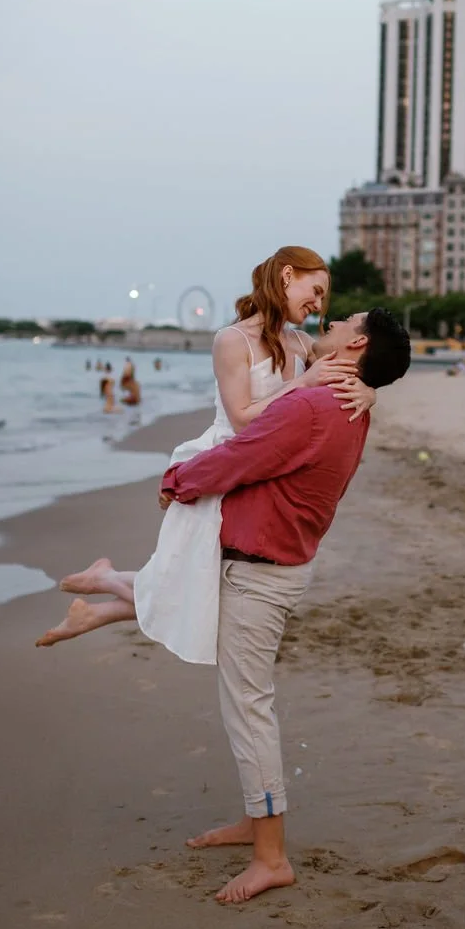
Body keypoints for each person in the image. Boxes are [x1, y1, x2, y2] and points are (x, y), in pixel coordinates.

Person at [57, 306, 410, 905]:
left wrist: (177, 479)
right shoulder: (348, 401)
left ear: (358, 344)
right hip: (272, 564)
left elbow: (242, 457)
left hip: (261, 573)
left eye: (341, 322)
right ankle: (255, 821)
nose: (328, 322)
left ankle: (271, 857)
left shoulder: (315, 405)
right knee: (182, 609)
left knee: (248, 708)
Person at [36, 246, 372, 656]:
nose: (320, 305)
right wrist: (304, 384)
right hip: (221, 462)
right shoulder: (232, 341)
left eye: (323, 297)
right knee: (194, 582)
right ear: (287, 276)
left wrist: (369, 392)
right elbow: (245, 420)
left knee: (196, 584)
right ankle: (105, 584)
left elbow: (355, 359)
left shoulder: (302, 344)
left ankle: (98, 606)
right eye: (315, 291)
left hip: (260, 466)